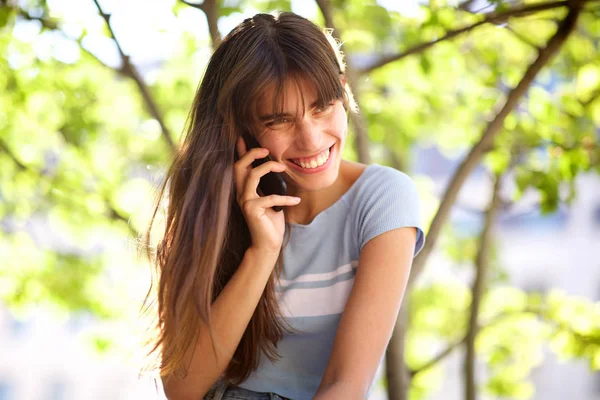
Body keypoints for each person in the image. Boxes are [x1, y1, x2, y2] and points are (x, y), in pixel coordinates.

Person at [144, 10, 425, 400]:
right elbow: (182, 388)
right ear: (242, 131)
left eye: (322, 107)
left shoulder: (384, 199)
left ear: (344, 93)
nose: (311, 140)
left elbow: (345, 385)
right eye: (279, 120)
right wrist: (263, 251)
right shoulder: (213, 203)